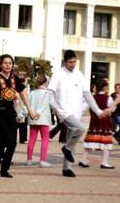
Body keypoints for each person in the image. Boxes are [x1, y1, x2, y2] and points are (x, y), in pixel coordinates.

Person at [47, 49, 110, 178]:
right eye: (70, 62)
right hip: (64, 112)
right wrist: (56, 109)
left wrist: (97, 110)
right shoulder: (58, 74)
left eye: (75, 61)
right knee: (80, 128)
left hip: (76, 112)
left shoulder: (79, 75)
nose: (73, 64)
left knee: (71, 141)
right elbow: (49, 94)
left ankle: (66, 168)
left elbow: (87, 94)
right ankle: (66, 149)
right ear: (65, 62)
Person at [0, 54, 38, 178]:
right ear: (1, 65)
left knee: (12, 142)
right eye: (5, 63)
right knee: (5, 138)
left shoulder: (15, 79)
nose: (8, 65)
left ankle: (3, 168)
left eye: (10, 63)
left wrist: (30, 110)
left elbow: (23, 93)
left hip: (10, 112)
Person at [79, 78, 120, 169]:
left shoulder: (92, 97)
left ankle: (83, 160)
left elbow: (83, 108)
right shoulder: (108, 98)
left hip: (94, 122)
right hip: (105, 123)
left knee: (89, 142)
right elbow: (112, 109)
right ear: (105, 87)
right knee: (106, 143)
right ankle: (104, 162)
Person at [23, 75, 56, 167]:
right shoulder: (47, 93)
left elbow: (26, 105)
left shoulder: (32, 93)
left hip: (33, 118)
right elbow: (53, 105)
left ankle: (29, 160)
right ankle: (42, 161)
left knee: (32, 139)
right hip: (44, 119)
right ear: (46, 83)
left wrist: (21, 115)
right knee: (45, 140)